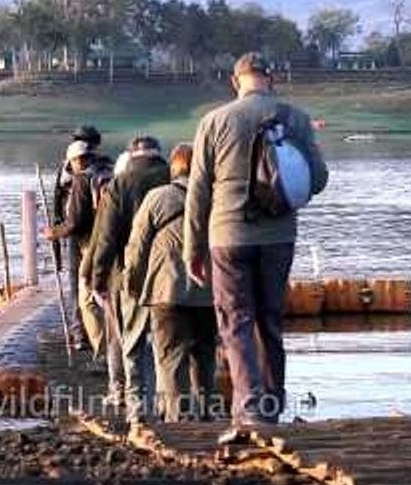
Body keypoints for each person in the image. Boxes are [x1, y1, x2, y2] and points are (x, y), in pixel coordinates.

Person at [184, 52, 328, 441]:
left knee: (236, 322)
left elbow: (197, 191)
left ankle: (249, 409)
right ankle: (272, 404)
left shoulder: (214, 121)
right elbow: (318, 180)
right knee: (270, 321)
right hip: (279, 236)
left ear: (236, 82)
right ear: (272, 79)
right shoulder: (295, 118)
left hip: (227, 236)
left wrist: (191, 250)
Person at [124, 143, 217, 422]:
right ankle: (206, 416)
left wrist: (133, 285)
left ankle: (178, 420)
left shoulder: (157, 197)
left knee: (171, 357)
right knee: (204, 355)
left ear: (173, 170)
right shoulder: (216, 198)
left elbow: (137, 246)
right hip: (208, 291)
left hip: (166, 290)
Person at [92, 135, 170, 429]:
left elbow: (106, 238)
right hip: (174, 272)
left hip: (130, 274)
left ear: (131, 155)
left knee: (134, 342)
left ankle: (138, 408)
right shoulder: (174, 176)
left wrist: (98, 279)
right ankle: (170, 405)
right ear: (158, 154)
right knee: (168, 343)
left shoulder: (120, 184)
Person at [79, 150, 131, 406]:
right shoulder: (157, 187)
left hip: (117, 276)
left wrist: (91, 276)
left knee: (116, 335)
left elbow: (103, 238)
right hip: (151, 275)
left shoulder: (114, 194)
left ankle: (119, 390)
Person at [43, 140, 97, 349]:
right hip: (103, 236)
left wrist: (54, 233)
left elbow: (74, 221)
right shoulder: (104, 170)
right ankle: (87, 332)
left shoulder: (81, 179)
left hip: (81, 238)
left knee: (78, 284)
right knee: (96, 286)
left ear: (76, 160)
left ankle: (80, 334)